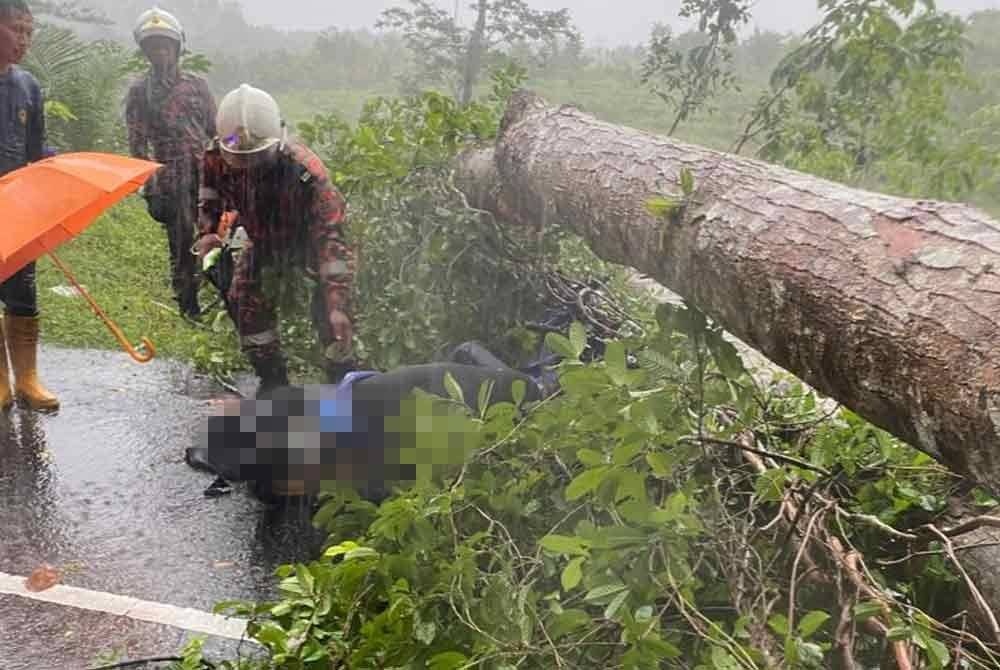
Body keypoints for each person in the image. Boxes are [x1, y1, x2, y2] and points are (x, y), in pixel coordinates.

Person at [195, 84, 357, 397]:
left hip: (309, 243)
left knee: (334, 319)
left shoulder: (306, 172)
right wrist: (208, 233)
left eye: (255, 159)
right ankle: (273, 382)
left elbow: (332, 239)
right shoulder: (218, 154)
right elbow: (210, 194)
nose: (247, 168)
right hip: (264, 242)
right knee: (244, 301)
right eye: (239, 160)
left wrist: (337, 302)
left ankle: (343, 381)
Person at [125, 6, 216, 320]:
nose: (160, 52)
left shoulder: (197, 85)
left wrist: (236, 155)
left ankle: (224, 300)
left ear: (177, 47)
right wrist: (149, 188)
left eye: (165, 45)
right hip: (168, 178)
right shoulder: (140, 91)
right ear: (145, 51)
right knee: (181, 244)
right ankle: (189, 309)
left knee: (216, 235)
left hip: (205, 175)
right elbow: (137, 145)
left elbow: (216, 132)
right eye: (152, 47)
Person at [0, 0, 58, 412]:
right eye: (16, 30)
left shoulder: (29, 87)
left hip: (18, 208)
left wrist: (53, 168)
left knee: (23, 291)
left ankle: (28, 378)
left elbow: (36, 149)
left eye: (28, 32)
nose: (23, 40)